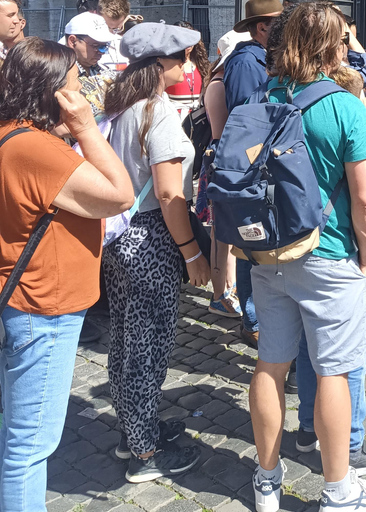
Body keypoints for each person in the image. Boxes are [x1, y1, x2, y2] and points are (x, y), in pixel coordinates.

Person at [248, 3, 366, 511]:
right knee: (332, 374)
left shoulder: (262, 97)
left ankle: (266, 482)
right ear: (330, 46)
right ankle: (338, 491)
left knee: (271, 365)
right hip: (328, 254)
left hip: (269, 252)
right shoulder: (343, 106)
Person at [0, 37, 133, 511]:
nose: (85, 95)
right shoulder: (36, 150)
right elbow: (120, 195)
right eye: (77, 86)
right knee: (30, 446)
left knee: (17, 433)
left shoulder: (12, 134)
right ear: (53, 91)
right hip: (45, 305)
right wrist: (85, 128)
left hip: (24, 297)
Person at [103, 22, 208, 483]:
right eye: (182, 57)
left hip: (119, 238)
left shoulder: (120, 104)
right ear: (159, 64)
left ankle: (134, 430)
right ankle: (145, 453)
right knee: (149, 345)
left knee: (126, 339)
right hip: (151, 236)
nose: (188, 65)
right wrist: (190, 253)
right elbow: (169, 194)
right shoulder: (156, 112)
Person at [224, 0, 283, 349]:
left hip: (262, 166)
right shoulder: (248, 62)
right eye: (279, 22)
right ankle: (252, 320)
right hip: (252, 168)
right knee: (250, 245)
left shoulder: (262, 58)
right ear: (262, 27)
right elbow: (250, 121)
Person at [197, 29, 250, 322]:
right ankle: (219, 294)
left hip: (222, 157)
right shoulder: (219, 85)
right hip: (221, 158)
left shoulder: (221, 81)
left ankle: (227, 289)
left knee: (226, 232)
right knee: (220, 231)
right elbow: (223, 132)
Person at [167, 21, 210, 117]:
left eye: (190, 38)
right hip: (174, 117)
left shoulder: (201, 64)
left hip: (198, 119)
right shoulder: (166, 65)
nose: (188, 43)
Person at [61, 12, 116, 77]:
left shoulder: (103, 71)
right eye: (95, 46)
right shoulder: (59, 75)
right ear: (72, 41)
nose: (102, 52)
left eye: (104, 46)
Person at [97, 0, 131, 72]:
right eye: (106, 27)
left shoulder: (127, 44)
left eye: (116, 29)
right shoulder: (86, 44)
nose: (111, 34)